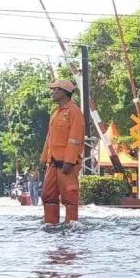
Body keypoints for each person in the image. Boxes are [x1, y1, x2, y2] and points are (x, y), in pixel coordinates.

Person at [40, 79, 85, 224]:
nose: (52, 93)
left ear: (64, 92)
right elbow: (49, 138)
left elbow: (75, 138)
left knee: (70, 196)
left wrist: (69, 161)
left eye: (55, 90)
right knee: (48, 196)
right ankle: (50, 225)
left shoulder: (74, 111)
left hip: (66, 164)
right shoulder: (55, 112)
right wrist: (44, 159)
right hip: (52, 162)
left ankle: (71, 226)